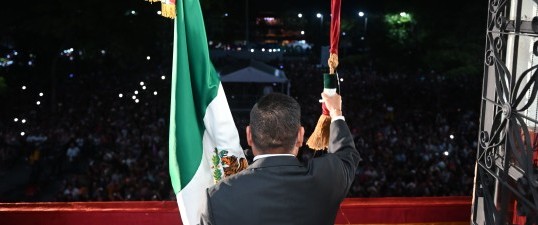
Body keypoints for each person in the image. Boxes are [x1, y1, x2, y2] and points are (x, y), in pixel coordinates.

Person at [199, 92, 361, 225]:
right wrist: (335, 113)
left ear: (249, 135)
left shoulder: (218, 196)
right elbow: (346, 155)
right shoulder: (326, 179)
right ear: (300, 136)